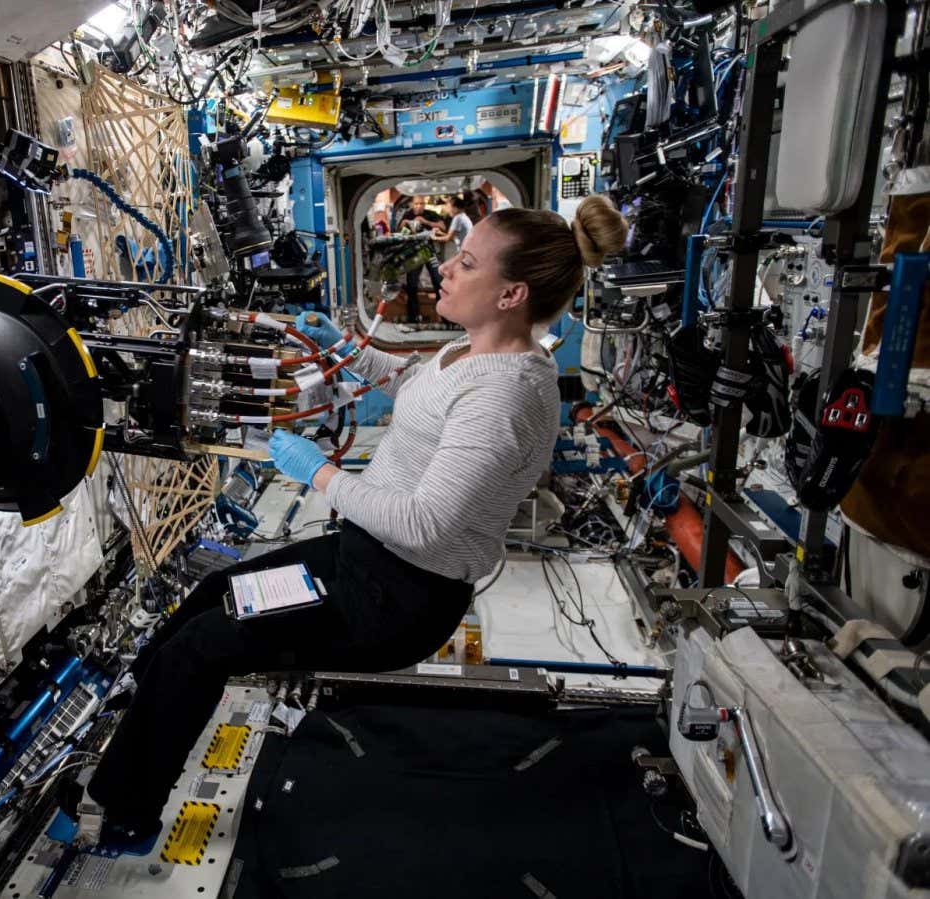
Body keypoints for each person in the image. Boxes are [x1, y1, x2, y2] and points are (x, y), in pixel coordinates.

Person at [63, 196, 629, 848]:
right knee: (209, 599)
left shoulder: (504, 395)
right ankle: (136, 719)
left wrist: (318, 472)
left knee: (204, 646)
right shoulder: (478, 351)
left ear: (511, 293)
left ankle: (123, 811)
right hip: (361, 561)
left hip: (391, 599)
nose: (446, 267)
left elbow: (424, 525)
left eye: (467, 262)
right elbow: (416, 383)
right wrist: (348, 350)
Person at [398, 195, 446, 322]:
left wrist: (426, 222)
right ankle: (413, 317)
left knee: (438, 282)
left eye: (421, 204)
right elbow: (399, 232)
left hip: (429, 251)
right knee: (412, 285)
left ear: (424, 204)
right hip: (414, 253)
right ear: (412, 204)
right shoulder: (407, 215)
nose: (418, 206)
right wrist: (403, 225)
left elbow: (443, 227)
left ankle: (445, 316)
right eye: (416, 204)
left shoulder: (430, 213)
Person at [433, 194, 474, 259]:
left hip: (464, 251)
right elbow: (453, 237)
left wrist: (434, 238)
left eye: (449, 207)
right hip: (467, 250)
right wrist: (440, 233)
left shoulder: (458, 218)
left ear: (455, 208)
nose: (447, 210)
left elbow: (448, 238)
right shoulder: (463, 216)